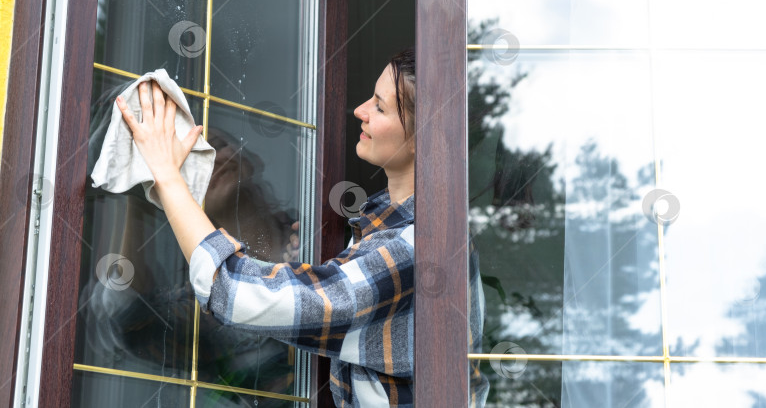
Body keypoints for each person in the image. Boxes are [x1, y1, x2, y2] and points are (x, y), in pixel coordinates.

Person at [116, 48, 489, 406]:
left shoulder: (417, 248)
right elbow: (137, 323)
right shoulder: (393, 229)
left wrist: (166, 174)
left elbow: (234, 293)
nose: (360, 111)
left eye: (379, 106)